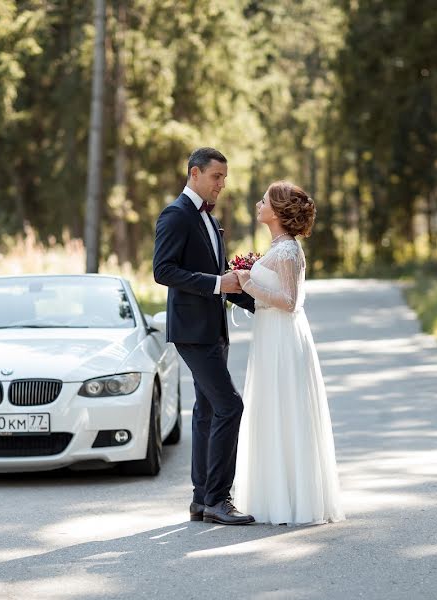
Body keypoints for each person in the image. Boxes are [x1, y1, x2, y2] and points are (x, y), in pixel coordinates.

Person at [153, 147, 257, 525]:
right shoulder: (176, 215)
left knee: (207, 411)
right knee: (230, 405)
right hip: (193, 332)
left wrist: (262, 304)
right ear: (195, 174)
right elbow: (163, 271)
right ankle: (218, 498)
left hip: (214, 329)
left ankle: (201, 500)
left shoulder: (211, 221)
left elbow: (225, 278)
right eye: (216, 177)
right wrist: (217, 283)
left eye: (225, 179)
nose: (222, 185)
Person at [232, 180, 345, 525]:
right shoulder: (277, 248)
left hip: (283, 337)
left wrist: (247, 282)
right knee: (271, 410)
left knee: (286, 409)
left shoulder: (288, 251)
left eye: (264, 200)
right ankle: (274, 496)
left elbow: (290, 301)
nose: (258, 204)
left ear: (278, 211)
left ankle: (295, 500)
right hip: (270, 335)